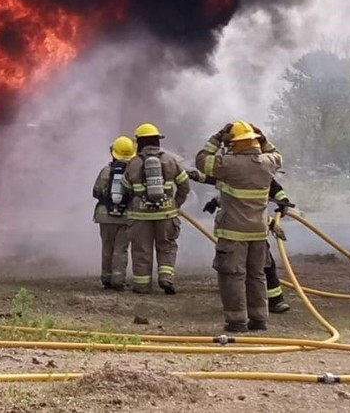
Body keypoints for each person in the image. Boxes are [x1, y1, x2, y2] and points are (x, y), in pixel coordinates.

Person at [195, 121, 282, 333]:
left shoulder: (229, 163)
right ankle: (259, 319)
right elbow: (277, 155)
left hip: (234, 232)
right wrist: (263, 138)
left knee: (232, 276)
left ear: (235, 143)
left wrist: (217, 138)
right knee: (256, 275)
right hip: (259, 232)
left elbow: (202, 161)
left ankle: (237, 321)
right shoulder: (268, 162)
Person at [191, 170, 293, 314]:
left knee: (250, 269)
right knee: (255, 269)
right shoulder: (249, 172)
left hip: (240, 233)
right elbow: (232, 193)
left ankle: (269, 301)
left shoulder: (244, 172)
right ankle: (269, 302)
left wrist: (282, 202)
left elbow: (245, 201)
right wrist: (214, 200)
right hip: (249, 232)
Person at [119, 123, 190, 295]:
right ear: (157, 140)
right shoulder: (170, 161)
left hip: (140, 216)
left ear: (140, 142)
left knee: (141, 250)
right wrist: (175, 203)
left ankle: (142, 286)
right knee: (166, 247)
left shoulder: (134, 163)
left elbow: (125, 188)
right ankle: (166, 278)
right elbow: (184, 185)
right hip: (166, 214)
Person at [92, 135, 136, 290]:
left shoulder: (105, 171)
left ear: (113, 153)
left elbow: (96, 192)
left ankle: (106, 278)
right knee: (121, 249)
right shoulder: (133, 172)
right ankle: (118, 280)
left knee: (107, 247)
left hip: (105, 216)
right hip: (125, 217)